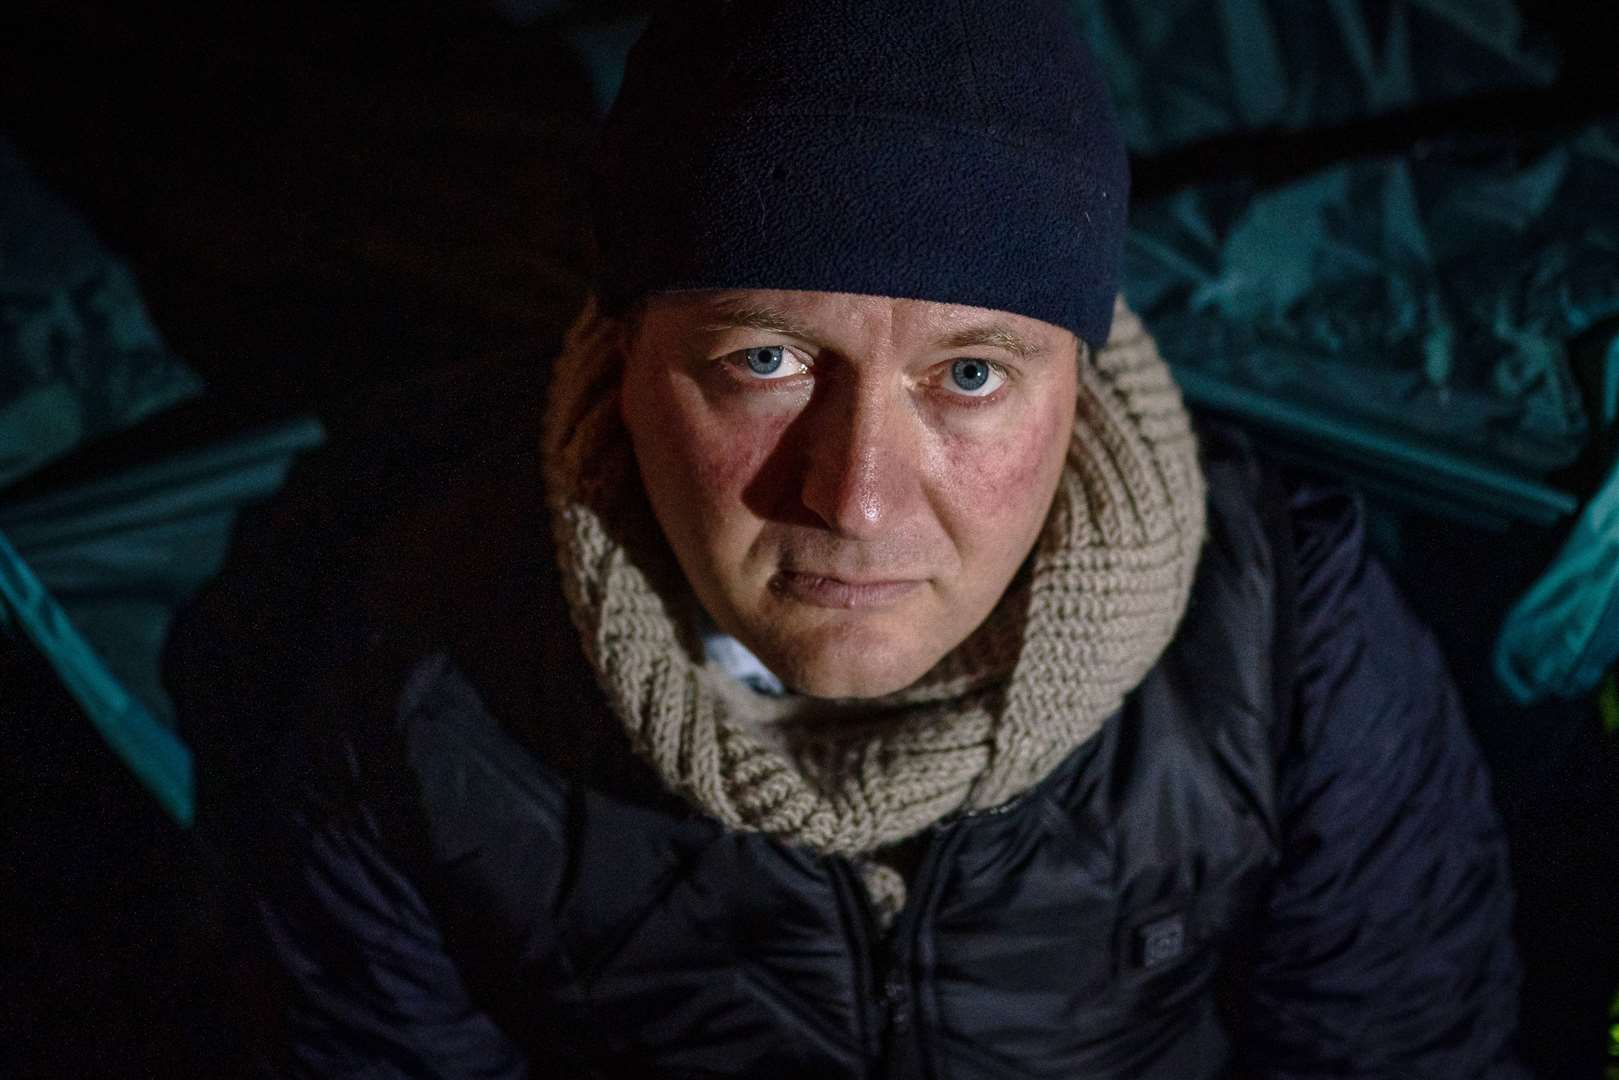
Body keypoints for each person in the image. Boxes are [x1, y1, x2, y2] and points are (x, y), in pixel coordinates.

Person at [254, 1, 1527, 1076]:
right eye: (766, 360)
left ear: (1073, 386)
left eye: (968, 376)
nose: (856, 500)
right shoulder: (420, 684)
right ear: (622, 356)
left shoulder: (1283, 638)